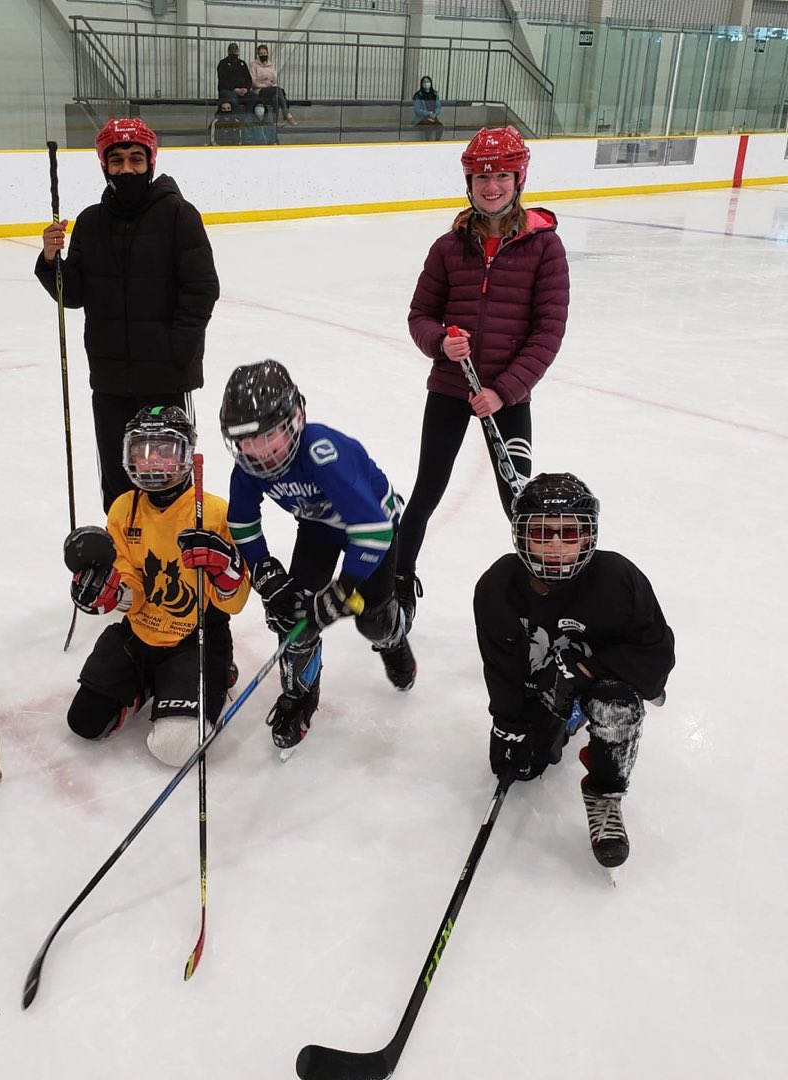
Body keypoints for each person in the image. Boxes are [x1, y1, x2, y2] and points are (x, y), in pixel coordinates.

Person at [397, 127, 569, 629]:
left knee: (518, 500)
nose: (490, 186)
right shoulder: (448, 248)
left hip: (509, 399)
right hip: (451, 390)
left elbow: (547, 331)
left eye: (499, 176)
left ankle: (543, 600)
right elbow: (420, 315)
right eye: (480, 177)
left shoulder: (544, 248)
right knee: (427, 488)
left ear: (519, 179)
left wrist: (505, 390)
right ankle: (399, 587)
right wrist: (439, 343)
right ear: (468, 183)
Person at [473, 473, 675, 868]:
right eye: (542, 533)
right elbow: (501, 667)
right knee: (520, 767)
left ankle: (604, 793)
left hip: (596, 683)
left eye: (569, 533)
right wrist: (509, 723)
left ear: (588, 537)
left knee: (616, 705)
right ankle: (562, 722)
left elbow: (656, 655)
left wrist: (586, 672)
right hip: (539, 689)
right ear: (521, 536)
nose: (554, 545)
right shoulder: (496, 587)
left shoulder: (618, 579)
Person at [220, 360, 416, 755]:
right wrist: (265, 574)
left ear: (295, 420)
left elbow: (374, 528)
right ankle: (300, 694)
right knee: (295, 615)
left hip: (372, 527)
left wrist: (345, 587)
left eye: (270, 436)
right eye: (247, 442)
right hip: (319, 528)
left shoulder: (323, 451)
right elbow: (241, 522)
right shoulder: (247, 469)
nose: (259, 453)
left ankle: (393, 638)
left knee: (372, 621)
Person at [35, 118, 220, 513]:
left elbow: (202, 288)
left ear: (150, 163)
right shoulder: (90, 222)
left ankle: (175, 561)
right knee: (118, 482)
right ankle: (122, 560)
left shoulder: (178, 215)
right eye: (116, 160)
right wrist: (52, 260)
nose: (127, 169)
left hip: (165, 378)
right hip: (110, 379)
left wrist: (177, 351)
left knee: (168, 478)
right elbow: (76, 293)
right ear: (104, 165)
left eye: (136, 159)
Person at [64, 407, 250, 767]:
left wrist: (225, 570)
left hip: (194, 639)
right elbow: (132, 582)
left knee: (176, 749)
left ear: (186, 455)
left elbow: (235, 603)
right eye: (142, 451)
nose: (152, 462)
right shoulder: (123, 509)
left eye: (164, 451)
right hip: (139, 635)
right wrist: (114, 592)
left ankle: (215, 673)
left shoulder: (212, 513)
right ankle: (148, 683)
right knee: (84, 722)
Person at [250, 44, 296, 125]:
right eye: (261, 54)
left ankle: (274, 122)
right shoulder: (254, 65)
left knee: (276, 97)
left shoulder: (271, 65)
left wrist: (273, 74)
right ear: (258, 54)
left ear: (267, 53)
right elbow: (253, 81)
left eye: (264, 53)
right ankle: (287, 114)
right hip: (259, 90)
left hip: (271, 89)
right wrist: (265, 85)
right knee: (278, 90)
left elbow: (274, 81)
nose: (263, 55)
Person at [217, 42, 257, 113]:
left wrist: (246, 89)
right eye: (232, 51)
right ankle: (236, 120)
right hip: (228, 90)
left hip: (243, 90)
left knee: (253, 97)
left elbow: (248, 78)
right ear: (228, 51)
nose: (234, 53)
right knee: (234, 99)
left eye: (235, 51)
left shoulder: (242, 63)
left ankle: (247, 118)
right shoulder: (223, 63)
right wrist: (235, 89)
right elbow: (223, 81)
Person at [412, 75, 442, 140]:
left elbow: (438, 106)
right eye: (424, 82)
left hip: (433, 117)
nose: (426, 83)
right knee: (429, 125)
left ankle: (437, 142)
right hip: (421, 119)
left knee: (440, 127)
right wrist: (428, 113)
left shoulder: (434, 94)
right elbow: (417, 110)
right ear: (422, 84)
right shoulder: (418, 95)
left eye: (428, 82)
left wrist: (435, 113)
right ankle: (427, 142)